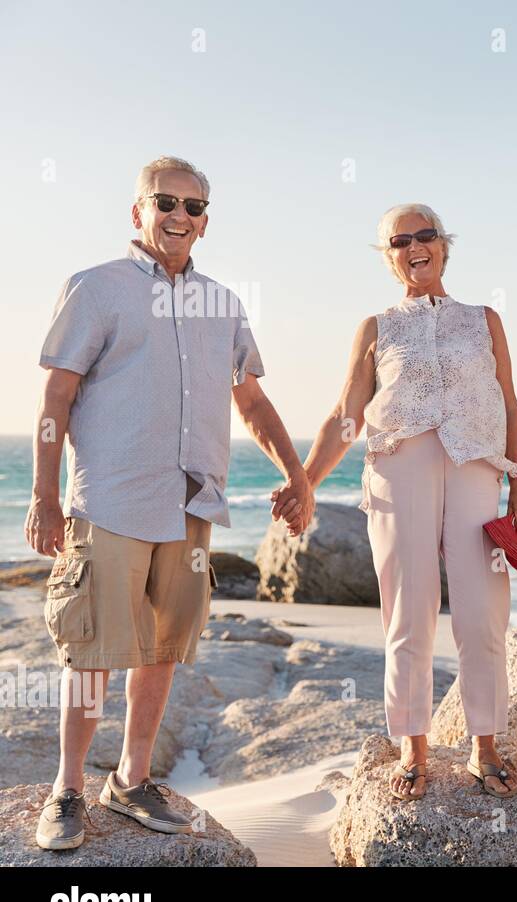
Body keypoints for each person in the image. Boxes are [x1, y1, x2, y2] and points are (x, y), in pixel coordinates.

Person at [28, 156, 312, 851]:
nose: (179, 216)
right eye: (165, 202)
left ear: (205, 222)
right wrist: (43, 494)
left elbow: (252, 400)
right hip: (111, 500)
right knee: (92, 653)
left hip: (190, 506)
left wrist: (298, 475)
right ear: (138, 212)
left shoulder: (224, 303)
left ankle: (130, 779)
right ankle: (68, 788)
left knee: (160, 653)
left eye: (192, 206)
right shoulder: (95, 289)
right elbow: (56, 398)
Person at [302, 204, 517, 799]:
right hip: (397, 467)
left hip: (476, 465)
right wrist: (305, 481)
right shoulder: (376, 327)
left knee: (482, 610)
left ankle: (486, 743)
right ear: (388, 257)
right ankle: (413, 745)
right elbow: (346, 415)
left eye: (424, 235)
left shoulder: (484, 319)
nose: (414, 247)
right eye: (399, 241)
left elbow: (509, 402)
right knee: (409, 611)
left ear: (445, 245)